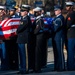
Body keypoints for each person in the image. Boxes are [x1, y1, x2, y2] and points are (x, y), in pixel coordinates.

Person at [16, 5, 32, 74]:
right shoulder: (23, 18)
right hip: (20, 39)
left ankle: (25, 68)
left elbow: (20, 28)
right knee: (21, 55)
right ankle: (22, 68)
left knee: (24, 55)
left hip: (24, 39)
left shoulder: (26, 19)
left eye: (22, 11)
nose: (21, 12)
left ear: (26, 12)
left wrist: (17, 31)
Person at [32, 7, 48, 73]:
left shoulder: (40, 20)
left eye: (36, 12)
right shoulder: (36, 19)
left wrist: (33, 33)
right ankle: (36, 67)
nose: (35, 13)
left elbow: (37, 29)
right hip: (37, 37)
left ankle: (38, 68)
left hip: (39, 37)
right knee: (36, 53)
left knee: (38, 53)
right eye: (34, 12)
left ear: (39, 12)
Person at [52, 5, 65, 71]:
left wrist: (49, 30)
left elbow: (55, 28)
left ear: (60, 11)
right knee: (56, 53)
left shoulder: (60, 18)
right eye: (55, 10)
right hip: (55, 37)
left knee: (59, 52)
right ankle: (57, 66)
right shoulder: (55, 18)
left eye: (56, 10)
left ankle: (62, 67)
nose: (55, 11)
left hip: (59, 37)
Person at [65, 1, 75, 71]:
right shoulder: (69, 14)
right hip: (71, 34)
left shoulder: (71, 14)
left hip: (71, 34)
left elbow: (68, 24)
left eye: (68, 6)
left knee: (71, 51)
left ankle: (71, 66)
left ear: (71, 7)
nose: (66, 7)